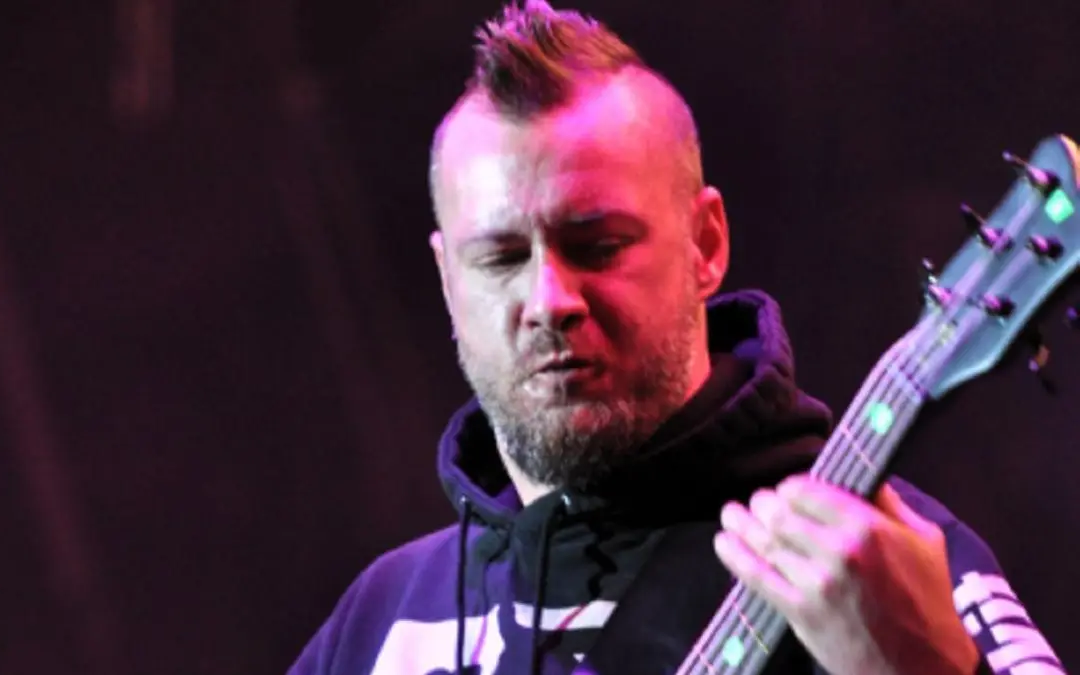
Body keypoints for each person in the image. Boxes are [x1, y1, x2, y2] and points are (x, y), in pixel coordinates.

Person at [289, 1, 1064, 673]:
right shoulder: (385, 619)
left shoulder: (867, 567)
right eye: (500, 258)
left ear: (706, 243)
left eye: (598, 245)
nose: (549, 299)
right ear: (447, 279)